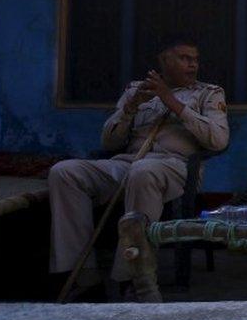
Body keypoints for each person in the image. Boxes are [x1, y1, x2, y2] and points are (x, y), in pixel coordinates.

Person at [48, 39, 229, 297]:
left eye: (195, 59)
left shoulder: (209, 93)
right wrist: (130, 108)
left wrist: (172, 102)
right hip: (128, 163)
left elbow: (219, 139)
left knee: (143, 172)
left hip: (176, 168)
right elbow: (108, 142)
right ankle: (82, 276)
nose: (192, 64)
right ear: (164, 61)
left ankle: (131, 276)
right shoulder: (136, 90)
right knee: (65, 172)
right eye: (184, 58)